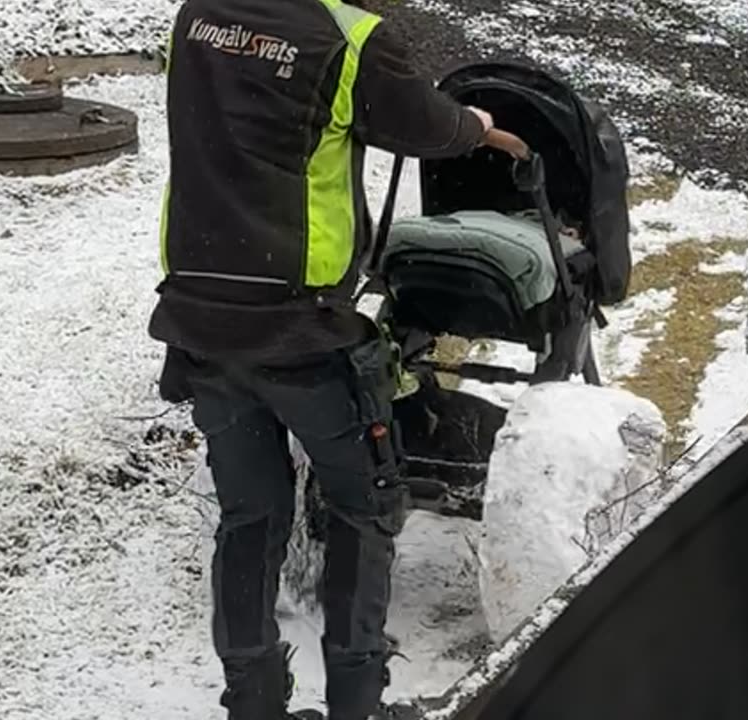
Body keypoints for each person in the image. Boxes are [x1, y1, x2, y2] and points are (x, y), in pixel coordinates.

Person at [148, 0, 493, 718]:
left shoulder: (196, 16)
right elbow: (425, 125)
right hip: (299, 329)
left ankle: (253, 705)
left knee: (249, 518)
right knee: (363, 510)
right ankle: (358, 704)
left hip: (203, 319)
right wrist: (478, 128)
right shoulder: (351, 38)